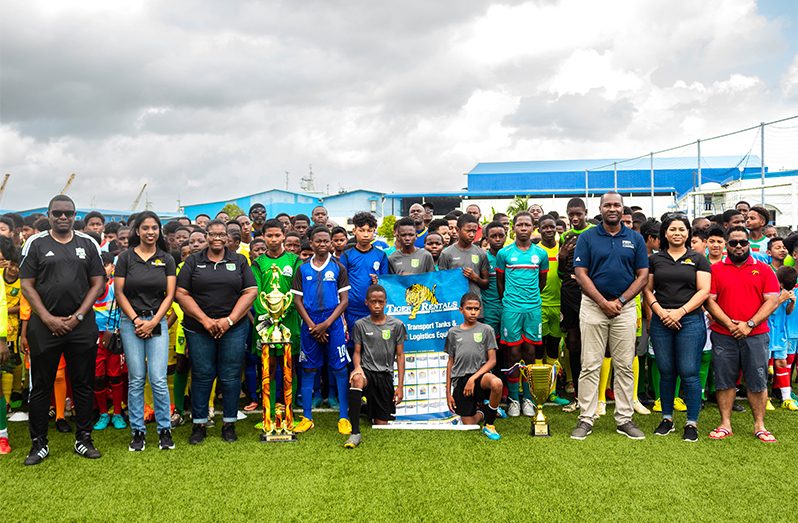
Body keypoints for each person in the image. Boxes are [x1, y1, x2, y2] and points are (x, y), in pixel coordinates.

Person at [20, 195, 105, 465]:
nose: (63, 218)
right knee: (41, 385)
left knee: (82, 383)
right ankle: (38, 443)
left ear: (74, 215)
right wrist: (48, 318)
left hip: (81, 326)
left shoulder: (87, 243)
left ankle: (83, 438)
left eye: (68, 213)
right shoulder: (36, 243)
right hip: (44, 326)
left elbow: (98, 283)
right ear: (49, 214)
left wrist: (78, 316)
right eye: (57, 213)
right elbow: (27, 285)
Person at [570, 192, 649, 441]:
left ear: (623, 208)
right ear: (600, 209)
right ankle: (586, 417)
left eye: (616, 204)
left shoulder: (634, 238)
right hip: (594, 306)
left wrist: (621, 301)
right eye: (607, 205)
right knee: (590, 364)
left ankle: (624, 419)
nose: (612, 208)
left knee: (624, 365)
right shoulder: (587, 237)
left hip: (624, 308)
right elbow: (580, 273)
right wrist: (603, 302)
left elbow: (643, 275)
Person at [176, 220, 257, 445]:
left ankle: (229, 424)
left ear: (228, 238)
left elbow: (250, 291)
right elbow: (181, 293)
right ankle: (199, 424)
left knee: (230, 376)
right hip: (199, 328)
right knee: (202, 375)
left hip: (233, 328)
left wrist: (228, 321)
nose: (217, 238)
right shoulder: (193, 261)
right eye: (213, 234)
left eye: (222, 234)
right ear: (207, 236)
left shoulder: (239, 260)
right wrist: (205, 320)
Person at [704, 226, 779, 442]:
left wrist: (749, 324)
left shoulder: (764, 269)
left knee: (757, 380)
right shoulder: (715, 270)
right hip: (723, 334)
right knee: (724, 380)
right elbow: (710, 300)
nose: (738, 246)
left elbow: (772, 300)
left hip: (756, 334)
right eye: (734, 242)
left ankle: (760, 425)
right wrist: (729, 324)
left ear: (749, 244)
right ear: (727, 245)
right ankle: (725, 423)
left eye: (743, 242)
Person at [643, 214, 711, 441]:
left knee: (689, 371)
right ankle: (667, 418)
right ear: (664, 233)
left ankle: (691, 422)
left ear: (688, 233)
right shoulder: (655, 259)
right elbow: (647, 290)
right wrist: (661, 312)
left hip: (690, 320)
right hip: (662, 321)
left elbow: (704, 291)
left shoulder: (698, 259)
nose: (677, 233)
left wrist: (680, 312)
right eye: (672, 229)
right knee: (666, 370)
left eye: (682, 229)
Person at [114, 211, 177, 451]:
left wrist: (153, 322)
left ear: (159, 231)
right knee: (137, 379)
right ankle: (138, 431)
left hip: (157, 322)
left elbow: (170, 295)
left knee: (159, 380)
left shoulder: (166, 258)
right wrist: (137, 320)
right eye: (145, 228)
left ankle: (164, 430)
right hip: (131, 323)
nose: (150, 232)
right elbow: (119, 293)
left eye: (154, 228)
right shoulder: (125, 258)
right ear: (137, 231)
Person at [291, 226, 351, 435]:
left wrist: (325, 324)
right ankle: (307, 417)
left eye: (326, 241)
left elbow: (344, 301)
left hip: (332, 323)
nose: (323, 244)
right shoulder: (302, 268)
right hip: (310, 324)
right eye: (318, 241)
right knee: (308, 369)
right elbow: (297, 300)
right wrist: (311, 325)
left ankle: (344, 416)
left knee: (340, 369)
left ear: (331, 243)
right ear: (311, 243)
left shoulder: (338, 268)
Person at [496, 212, 548, 418]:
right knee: (513, 354)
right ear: (513, 228)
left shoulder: (540, 254)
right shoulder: (505, 253)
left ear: (533, 227)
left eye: (527, 224)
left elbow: (541, 282)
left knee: (530, 353)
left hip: (533, 309)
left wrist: (530, 298)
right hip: (511, 309)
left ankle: (528, 398)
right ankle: (514, 400)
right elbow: (500, 283)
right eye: (520, 225)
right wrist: (509, 301)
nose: (524, 228)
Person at [344, 284, 406, 448]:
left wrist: (400, 386)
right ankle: (355, 433)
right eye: (373, 302)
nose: (377, 305)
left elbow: (400, 356)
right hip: (367, 374)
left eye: (380, 302)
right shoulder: (360, 325)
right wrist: (357, 368)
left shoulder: (397, 325)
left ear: (385, 302)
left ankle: (364, 408)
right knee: (356, 379)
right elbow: (357, 352)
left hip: (384, 376)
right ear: (366, 303)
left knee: (380, 425)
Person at [251, 219, 302, 416]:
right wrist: (270, 315)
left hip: (289, 321)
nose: (273, 239)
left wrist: (282, 313)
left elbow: (297, 291)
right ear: (263, 237)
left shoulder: (294, 260)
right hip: (265, 323)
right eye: (269, 236)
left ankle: (290, 411)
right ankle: (269, 412)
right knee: (268, 366)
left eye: (277, 235)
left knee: (290, 366)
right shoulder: (258, 263)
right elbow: (255, 293)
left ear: (284, 235)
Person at [445, 292, 503, 441]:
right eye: (469, 308)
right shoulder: (453, 333)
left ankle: (489, 425)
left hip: (480, 377)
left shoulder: (486, 330)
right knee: (468, 423)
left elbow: (492, 361)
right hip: (461, 380)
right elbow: (450, 363)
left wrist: (473, 378)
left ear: (480, 310)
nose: (472, 312)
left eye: (476, 309)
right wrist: (448, 393)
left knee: (497, 383)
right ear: (461, 310)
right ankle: (486, 412)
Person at [557, 198, 593, 412]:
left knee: (592, 345)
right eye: (571, 214)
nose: (575, 218)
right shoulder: (565, 236)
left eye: (578, 213)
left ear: (586, 212)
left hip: (589, 293)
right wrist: (562, 257)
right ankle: (578, 396)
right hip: (569, 293)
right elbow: (562, 272)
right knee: (573, 344)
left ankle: (593, 397)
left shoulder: (595, 233)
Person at [339, 212, 389, 338]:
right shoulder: (346, 255)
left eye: (369, 230)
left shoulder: (381, 255)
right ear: (354, 230)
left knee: (373, 343)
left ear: (374, 232)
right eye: (361, 230)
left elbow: (386, 282)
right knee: (353, 344)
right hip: (352, 309)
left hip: (374, 310)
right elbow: (341, 284)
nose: (366, 234)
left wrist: (379, 282)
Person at [92, 253, 126, 432]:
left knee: (115, 377)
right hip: (93, 340)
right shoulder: (86, 291)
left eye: (105, 265)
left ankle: (118, 413)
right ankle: (104, 414)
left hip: (113, 338)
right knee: (98, 379)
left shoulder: (115, 289)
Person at [438, 214, 489, 298]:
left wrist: (476, 278)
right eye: (468, 231)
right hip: (454, 302)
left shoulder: (481, 253)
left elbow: (486, 284)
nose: (472, 234)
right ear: (458, 230)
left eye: (474, 231)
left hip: (475, 303)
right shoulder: (446, 253)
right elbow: (441, 281)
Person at [770, 267, 798, 410]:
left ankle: (786, 398)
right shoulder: (771, 291)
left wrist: (792, 302)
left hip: (781, 334)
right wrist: (781, 299)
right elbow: (769, 310)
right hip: (768, 334)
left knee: (782, 363)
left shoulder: (787, 293)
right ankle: (766, 397)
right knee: (764, 366)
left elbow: (788, 312)